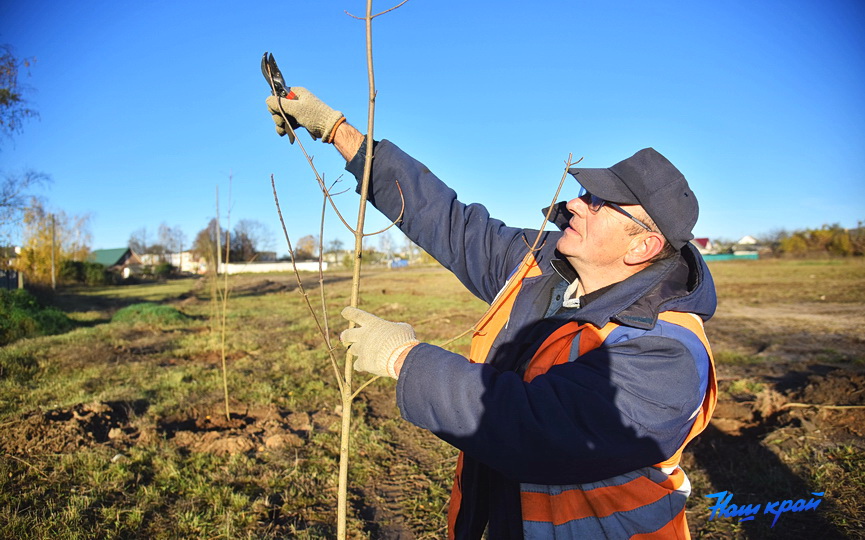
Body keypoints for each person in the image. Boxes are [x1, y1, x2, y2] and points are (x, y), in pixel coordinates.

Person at [266, 88, 718, 539]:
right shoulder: (543, 265)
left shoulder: (668, 352)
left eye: (599, 202)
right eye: (585, 192)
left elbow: (536, 429)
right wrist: (336, 131)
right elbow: (446, 221)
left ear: (643, 245)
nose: (575, 204)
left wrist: (402, 358)